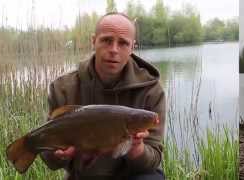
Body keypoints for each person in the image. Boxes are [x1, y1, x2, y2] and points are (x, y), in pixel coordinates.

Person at [40, 12, 166, 180]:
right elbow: (50, 160)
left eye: (123, 43)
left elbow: (153, 160)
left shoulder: (152, 90)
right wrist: (60, 156)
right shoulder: (63, 87)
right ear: (94, 41)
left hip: (133, 175)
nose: (114, 50)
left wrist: (136, 148)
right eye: (106, 40)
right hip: (84, 174)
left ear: (132, 47)